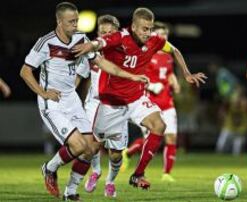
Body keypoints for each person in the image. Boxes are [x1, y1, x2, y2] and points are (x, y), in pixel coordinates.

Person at [19, 2, 148, 200]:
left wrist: (131, 76)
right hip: (53, 102)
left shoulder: (81, 38)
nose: (76, 25)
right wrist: (42, 93)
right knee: (78, 147)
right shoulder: (45, 43)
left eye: (77, 20)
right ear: (59, 22)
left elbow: (102, 62)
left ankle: (70, 192)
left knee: (91, 148)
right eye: (71, 21)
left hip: (72, 100)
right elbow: (25, 71)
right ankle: (49, 168)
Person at [72, 7, 207, 189]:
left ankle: (138, 175)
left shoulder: (154, 41)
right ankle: (69, 183)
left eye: (150, 28)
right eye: (144, 28)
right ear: (134, 27)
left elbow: (174, 50)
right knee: (93, 148)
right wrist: (90, 45)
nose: (148, 33)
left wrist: (186, 73)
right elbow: (101, 43)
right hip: (112, 103)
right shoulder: (120, 37)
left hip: (135, 98)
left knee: (159, 125)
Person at [119, 21, 181, 183]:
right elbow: (136, 76)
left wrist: (174, 80)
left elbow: (168, 73)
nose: (163, 37)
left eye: (165, 35)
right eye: (160, 34)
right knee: (153, 139)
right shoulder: (146, 53)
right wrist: (153, 86)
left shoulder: (168, 57)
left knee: (172, 138)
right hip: (150, 103)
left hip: (167, 102)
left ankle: (167, 173)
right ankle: (129, 152)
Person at [81, 14, 127, 198]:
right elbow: (81, 75)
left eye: (110, 32)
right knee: (90, 144)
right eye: (103, 32)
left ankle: (110, 181)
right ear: (98, 33)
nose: (107, 36)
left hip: (116, 106)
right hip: (94, 103)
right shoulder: (91, 51)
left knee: (115, 154)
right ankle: (96, 171)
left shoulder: (125, 53)